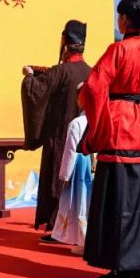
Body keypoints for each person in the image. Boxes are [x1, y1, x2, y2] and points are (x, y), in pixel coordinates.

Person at [79, 0, 140, 278]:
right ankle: (138, 263)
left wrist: (97, 128)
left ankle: (120, 264)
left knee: (117, 202)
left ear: (125, 20)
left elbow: (94, 89)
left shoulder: (117, 50)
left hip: (119, 129)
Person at [21, 20, 92, 233]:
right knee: (81, 185)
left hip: (60, 138)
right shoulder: (91, 72)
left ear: (65, 43)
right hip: (86, 142)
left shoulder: (61, 71)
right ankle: (76, 230)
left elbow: (37, 91)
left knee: (58, 181)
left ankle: (56, 228)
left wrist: (28, 76)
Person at [49, 87, 91, 255]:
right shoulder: (102, 119)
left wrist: (65, 175)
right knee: (92, 204)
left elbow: (71, 150)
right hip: (97, 167)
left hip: (81, 167)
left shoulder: (77, 123)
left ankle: (85, 242)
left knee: (81, 204)